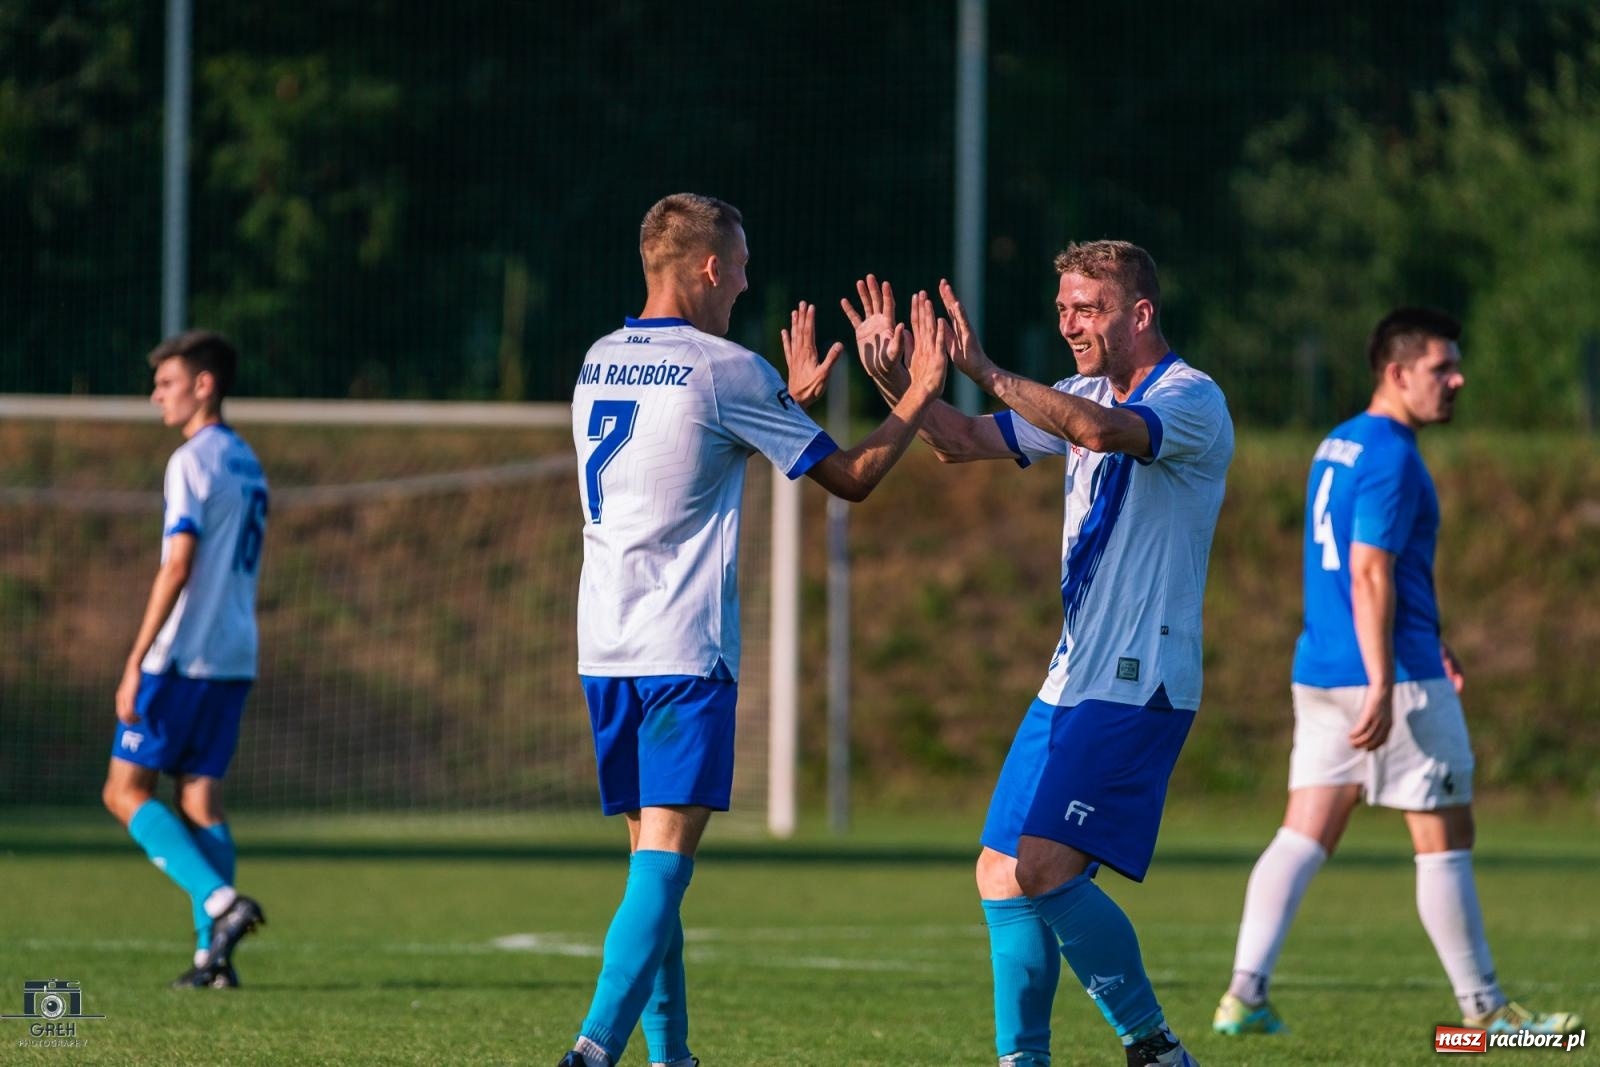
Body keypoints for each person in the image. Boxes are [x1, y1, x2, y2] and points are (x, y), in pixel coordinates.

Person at [559, 192, 950, 1067]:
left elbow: (684, 446)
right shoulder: (724, 367)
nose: (744, 279)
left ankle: (673, 1057)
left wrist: (784, 403)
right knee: (664, 866)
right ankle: (592, 1050)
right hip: (683, 646)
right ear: (705, 267)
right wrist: (921, 392)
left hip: (603, 640)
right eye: (737, 264)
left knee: (648, 870)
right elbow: (851, 476)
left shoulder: (598, 358)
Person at [847, 241, 1233, 1067]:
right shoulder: (1079, 392)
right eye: (1061, 309)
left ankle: (1156, 1049)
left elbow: (1099, 431)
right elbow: (952, 439)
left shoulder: (1192, 397)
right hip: (1071, 678)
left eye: (1087, 308)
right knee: (999, 871)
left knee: (1047, 867)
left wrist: (982, 364)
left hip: (1141, 678)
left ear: (1141, 313)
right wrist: (898, 377)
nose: (1069, 324)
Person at [1211, 308, 1583, 1040]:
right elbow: (1370, 571)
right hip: (1391, 676)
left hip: (1320, 666)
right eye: (1442, 367)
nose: (1457, 379)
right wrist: (1386, 677)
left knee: (1303, 832)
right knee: (1445, 837)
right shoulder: (1391, 452)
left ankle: (1243, 995)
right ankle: (1487, 1012)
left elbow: (1367, 567)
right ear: (1396, 371)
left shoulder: (1338, 442)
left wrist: (1427, 638)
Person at [100, 330, 269, 989]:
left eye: (166, 383)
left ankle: (222, 903)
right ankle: (214, 959)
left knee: (124, 790)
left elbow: (178, 562)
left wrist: (136, 657)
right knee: (199, 798)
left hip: (183, 655)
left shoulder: (191, 459)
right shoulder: (246, 460)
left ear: (204, 384)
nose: (155, 397)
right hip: (234, 652)